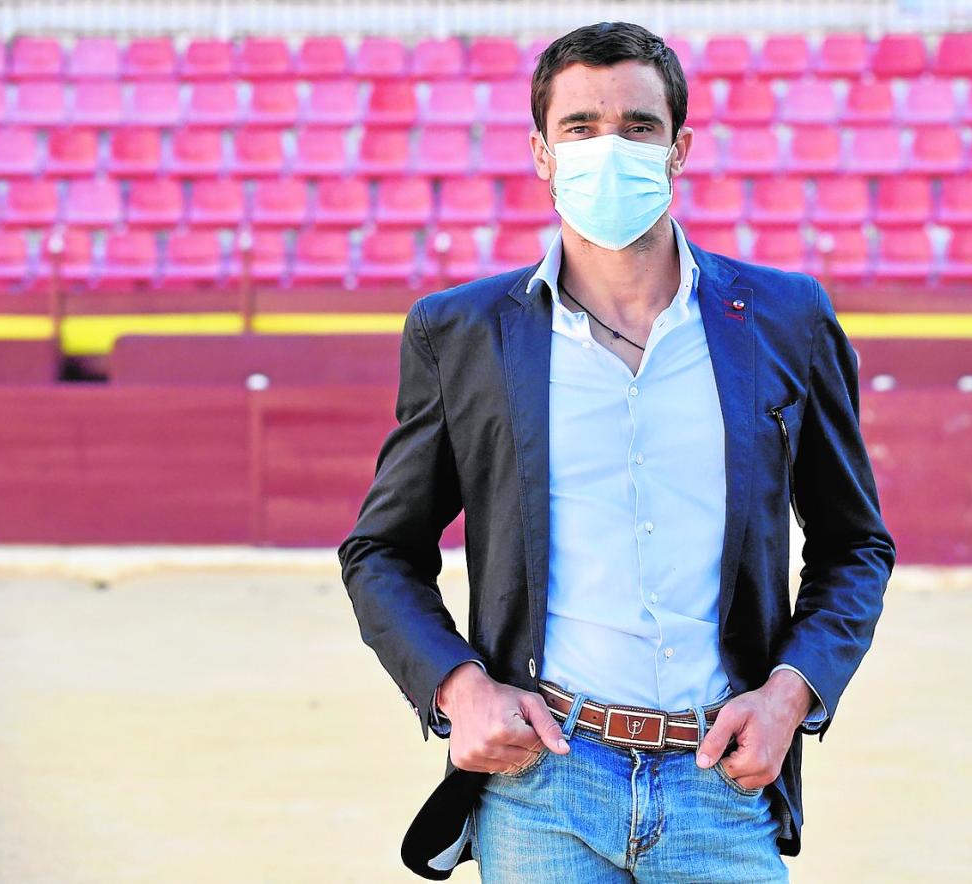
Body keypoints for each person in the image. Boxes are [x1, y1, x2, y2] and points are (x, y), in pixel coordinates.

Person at [337, 21, 896, 882]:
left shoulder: (787, 318)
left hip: (723, 776)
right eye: (581, 126)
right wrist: (458, 688)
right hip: (542, 780)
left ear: (679, 150)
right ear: (540, 153)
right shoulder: (464, 332)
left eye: (639, 126)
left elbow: (856, 544)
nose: (611, 147)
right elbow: (381, 550)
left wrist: (790, 697)